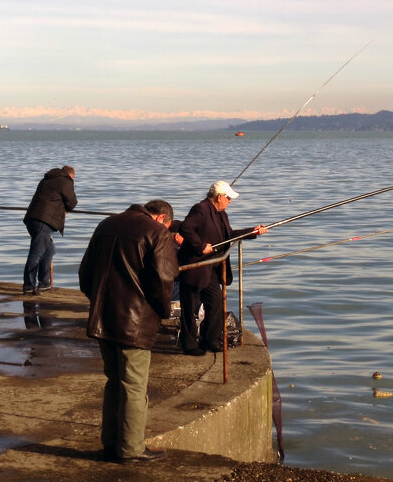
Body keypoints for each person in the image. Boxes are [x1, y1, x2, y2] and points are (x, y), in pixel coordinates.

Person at [78, 199, 178, 464]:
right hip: (135, 322)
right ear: (161, 218)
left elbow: (85, 273)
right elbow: (165, 278)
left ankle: (111, 443)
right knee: (134, 386)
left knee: (114, 382)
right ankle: (132, 449)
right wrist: (160, 311)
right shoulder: (157, 234)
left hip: (103, 318)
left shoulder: (106, 225)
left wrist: (98, 302)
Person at [176, 181, 267, 355]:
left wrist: (252, 232)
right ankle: (188, 345)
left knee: (215, 302)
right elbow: (185, 228)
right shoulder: (200, 209)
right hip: (195, 266)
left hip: (212, 266)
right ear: (219, 197)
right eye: (228, 198)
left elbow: (229, 235)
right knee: (190, 306)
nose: (230, 201)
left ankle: (209, 340)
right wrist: (200, 245)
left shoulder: (221, 213)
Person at [22, 165, 78, 294]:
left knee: (50, 250)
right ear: (71, 175)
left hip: (32, 218)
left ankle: (44, 283)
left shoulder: (46, 179)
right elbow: (72, 201)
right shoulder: (66, 180)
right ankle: (29, 286)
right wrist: (66, 209)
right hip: (44, 221)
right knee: (36, 253)